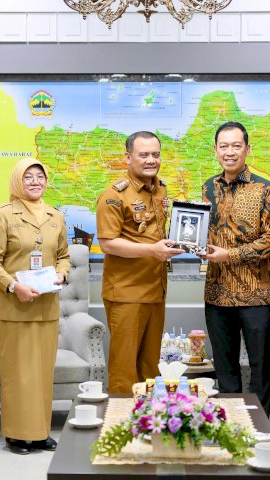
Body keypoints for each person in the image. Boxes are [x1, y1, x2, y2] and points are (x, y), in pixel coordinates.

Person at [0, 157, 70, 455]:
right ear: (17, 181)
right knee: (19, 374)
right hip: (15, 308)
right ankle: (17, 435)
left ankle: (40, 432)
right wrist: (13, 286)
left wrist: (62, 273)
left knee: (43, 374)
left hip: (47, 307)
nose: (35, 182)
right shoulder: (2, 215)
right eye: (28, 177)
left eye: (40, 176)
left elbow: (63, 255)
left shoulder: (55, 216)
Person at [201, 121, 270, 417]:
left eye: (236, 146)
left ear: (247, 149)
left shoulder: (266, 189)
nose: (230, 152)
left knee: (259, 366)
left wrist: (230, 255)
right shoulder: (207, 187)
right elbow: (204, 232)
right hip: (216, 293)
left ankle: (258, 423)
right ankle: (230, 420)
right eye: (223, 146)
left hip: (255, 295)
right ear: (215, 150)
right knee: (224, 365)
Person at [96, 131, 184, 394]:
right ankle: (121, 419)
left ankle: (147, 417)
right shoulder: (114, 195)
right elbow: (108, 243)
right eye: (143, 155)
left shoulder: (161, 189)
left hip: (156, 290)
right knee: (124, 371)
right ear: (128, 158)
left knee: (150, 369)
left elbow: (155, 234)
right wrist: (153, 251)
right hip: (127, 293)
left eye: (155, 154)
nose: (151, 160)